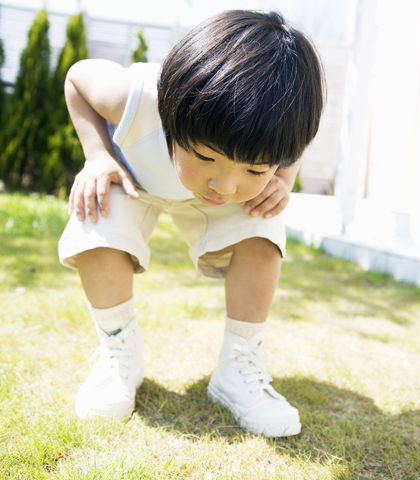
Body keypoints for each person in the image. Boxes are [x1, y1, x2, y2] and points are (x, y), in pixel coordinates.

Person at [59, 9, 325, 438]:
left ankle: (239, 364)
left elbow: (297, 141)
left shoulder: (272, 136)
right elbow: (76, 78)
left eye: (254, 168)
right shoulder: (135, 96)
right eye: (206, 157)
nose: (226, 184)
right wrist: (97, 156)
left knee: (264, 222)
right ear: (176, 112)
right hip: (134, 181)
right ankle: (118, 350)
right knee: (97, 202)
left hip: (200, 199)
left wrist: (281, 179)